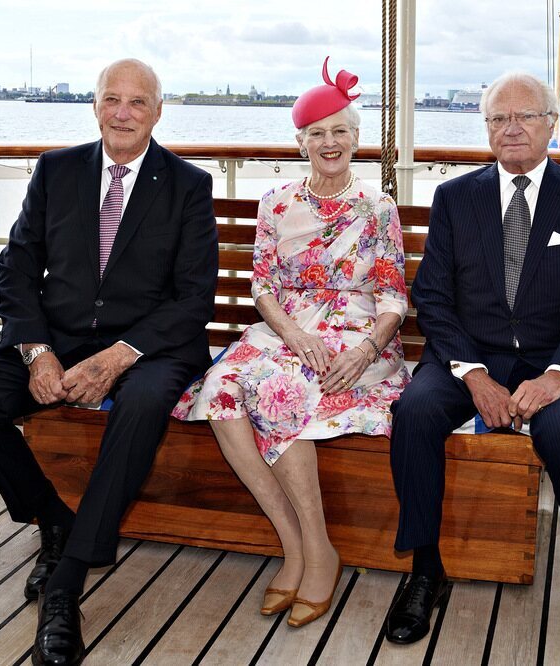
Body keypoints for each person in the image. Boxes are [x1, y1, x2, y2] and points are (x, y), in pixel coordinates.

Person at [0, 58, 218, 666]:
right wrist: (37, 351)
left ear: (158, 111)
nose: (123, 112)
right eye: (111, 99)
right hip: (57, 338)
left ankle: (64, 585)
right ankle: (52, 517)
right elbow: (15, 268)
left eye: (137, 102)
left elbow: (194, 298)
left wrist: (119, 357)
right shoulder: (57, 170)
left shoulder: (188, 185)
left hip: (149, 346)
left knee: (143, 401)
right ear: (94, 106)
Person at [384, 73, 560, 666]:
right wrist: (473, 373)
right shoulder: (456, 198)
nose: (511, 128)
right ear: (485, 128)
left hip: (551, 362)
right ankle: (425, 571)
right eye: (497, 119)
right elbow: (432, 297)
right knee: (412, 411)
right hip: (469, 355)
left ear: (550, 124)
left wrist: (557, 376)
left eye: (525, 116)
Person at [173, 57, 410, 628]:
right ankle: (300, 545)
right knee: (224, 386)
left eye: (340, 132)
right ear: (300, 141)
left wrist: (363, 351)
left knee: (280, 388)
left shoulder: (377, 208)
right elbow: (262, 286)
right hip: (290, 328)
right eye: (316, 134)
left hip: (357, 336)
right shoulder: (276, 202)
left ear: (357, 139)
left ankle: (319, 550)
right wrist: (294, 332)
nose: (329, 143)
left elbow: (394, 298)